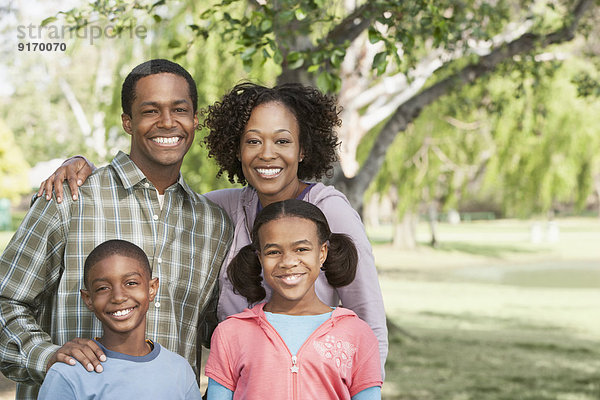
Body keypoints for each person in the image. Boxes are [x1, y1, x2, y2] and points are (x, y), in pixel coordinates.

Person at [36, 82, 388, 374]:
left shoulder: (329, 211)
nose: (267, 154)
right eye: (253, 141)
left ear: (302, 150)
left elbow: (369, 323)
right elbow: (157, 202)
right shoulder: (221, 209)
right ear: (236, 148)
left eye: (282, 141)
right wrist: (83, 167)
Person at [0, 59, 233, 399]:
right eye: (151, 111)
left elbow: (219, 329)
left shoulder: (213, 223)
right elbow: (6, 298)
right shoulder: (71, 197)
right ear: (128, 121)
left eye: (179, 109)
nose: (167, 122)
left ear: (195, 120)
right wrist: (47, 356)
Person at [205, 199, 382, 399]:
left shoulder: (357, 334)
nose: (288, 262)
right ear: (260, 257)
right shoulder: (230, 333)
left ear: (322, 252)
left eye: (301, 249)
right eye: (273, 252)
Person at [38, 240, 202, 399]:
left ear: (152, 289)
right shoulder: (69, 374)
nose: (118, 297)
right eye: (103, 288)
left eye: (131, 283)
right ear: (88, 298)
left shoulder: (179, 370)